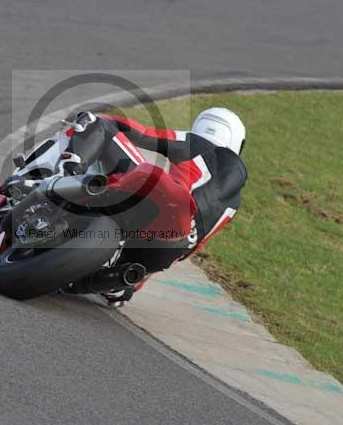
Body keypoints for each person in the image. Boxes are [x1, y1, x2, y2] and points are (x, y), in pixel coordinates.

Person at [61, 108, 248, 306]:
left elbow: (143, 134)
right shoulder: (234, 204)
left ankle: (68, 172)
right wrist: (140, 278)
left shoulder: (197, 143)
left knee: (100, 125)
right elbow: (196, 244)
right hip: (169, 249)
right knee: (101, 284)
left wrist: (100, 120)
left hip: (158, 205)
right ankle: (120, 280)